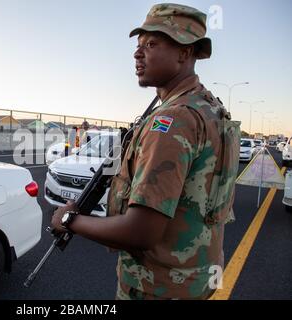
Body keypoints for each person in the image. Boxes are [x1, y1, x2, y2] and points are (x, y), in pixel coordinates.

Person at [51, 3, 241, 300]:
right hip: (196, 277)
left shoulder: (173, 120)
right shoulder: (210, 108)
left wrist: (68, 220)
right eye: (139, 45)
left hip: (157, 288)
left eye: (152, 44)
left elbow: (141, 232)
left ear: (184, 52)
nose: (138, 53)